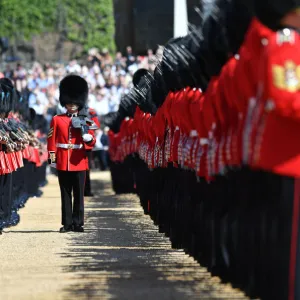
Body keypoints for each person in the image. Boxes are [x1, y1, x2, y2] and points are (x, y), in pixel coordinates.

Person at [47, 74, 96, 233]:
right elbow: (51, 140)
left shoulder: (85, 120)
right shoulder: (57, 119)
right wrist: (53, 159)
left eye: (75, 102)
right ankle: (67, 223)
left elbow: (92, 141)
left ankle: (78, 223)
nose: (72, 105)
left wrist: (88, 139)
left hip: (78, 160)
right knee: (65, 193)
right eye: (69, 102)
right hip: (63, 160)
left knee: (79, 194)